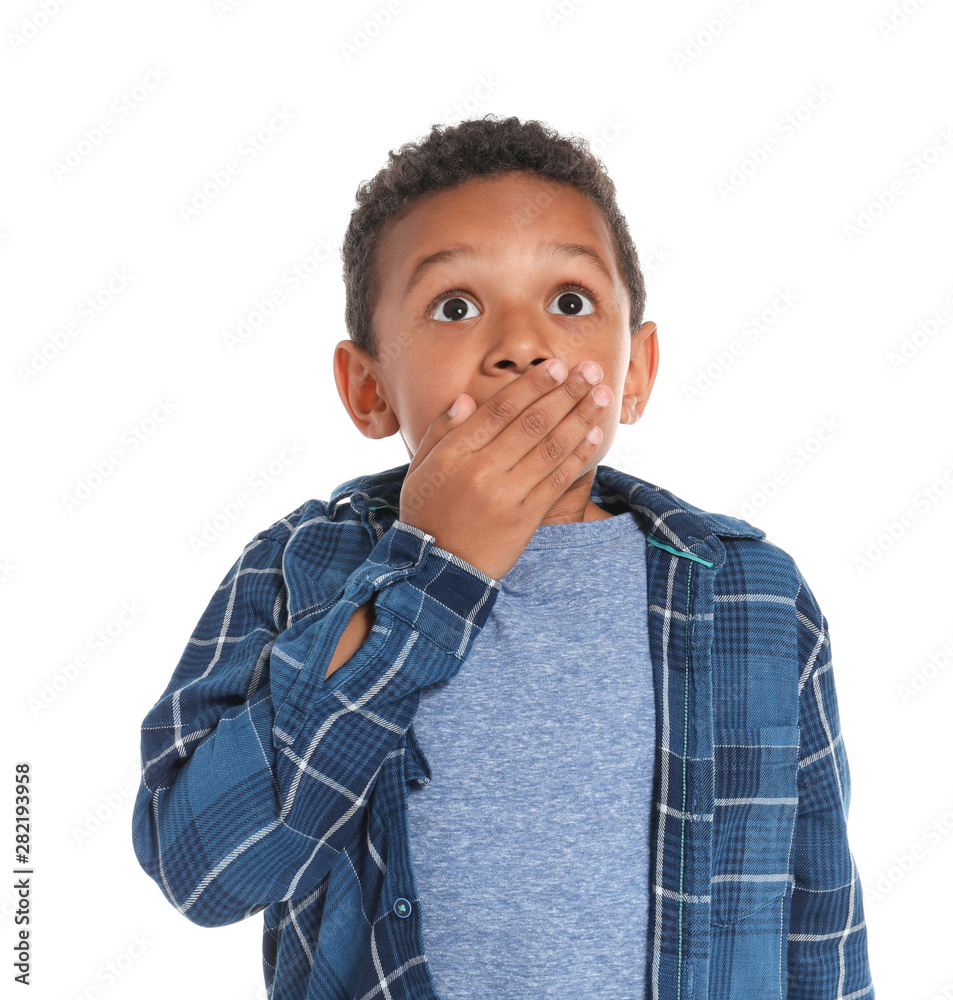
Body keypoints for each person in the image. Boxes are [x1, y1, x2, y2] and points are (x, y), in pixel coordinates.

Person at [131, 115, 874, 999]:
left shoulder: (753, 594)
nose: (522, 346)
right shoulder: (300, 571)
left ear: (634, 370)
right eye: (456, 306)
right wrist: (437, 572)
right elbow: (206, 871)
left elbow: (817, 918)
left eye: (568, 301)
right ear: (367, 388)